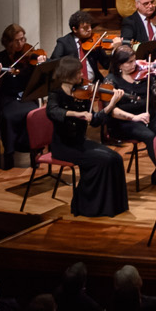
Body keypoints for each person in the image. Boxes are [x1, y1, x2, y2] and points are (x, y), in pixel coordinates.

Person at [49, 53, 129, 217]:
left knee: (115, 158)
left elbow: (95, 121)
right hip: (63, 146)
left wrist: (110, 105)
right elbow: (52, 112)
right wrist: (76, 114)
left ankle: (114, 206)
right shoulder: (56, 94)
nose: (82, 75)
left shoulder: (83, 93)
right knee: (102, 160)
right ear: (68, 75)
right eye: (78, 72)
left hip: (80, 142)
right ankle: (87, 206)